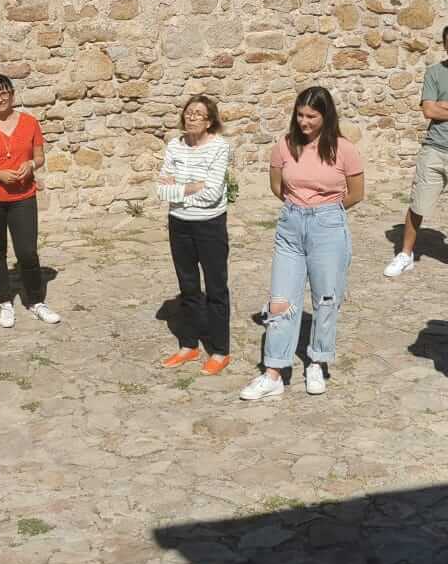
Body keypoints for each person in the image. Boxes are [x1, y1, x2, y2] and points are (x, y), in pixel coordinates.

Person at [239, 87, 364, 402]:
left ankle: (317, 361)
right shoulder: (284, 146)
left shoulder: (343, 149)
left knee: (326, 298)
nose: (305, 121)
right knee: (281, 299)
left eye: (312, 116)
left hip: (329, 226)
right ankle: (274, 372)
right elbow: (276, 186)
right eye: (300, 115)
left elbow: (356, 193)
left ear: (326, 116)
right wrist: (301, 209)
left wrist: (326, 212)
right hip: (290, 226)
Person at [384, 22, 448, 277]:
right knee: (418, 204)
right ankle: (406, 254)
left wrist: (445, 105)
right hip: (434, 148)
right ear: (444, 46)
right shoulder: (434, 72)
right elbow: (429, 110)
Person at [0, 74, 59, 328]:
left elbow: (39, 157)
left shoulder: (29, 123)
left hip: (23, 196)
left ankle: (36, 301)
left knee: (27, 252)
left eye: (4, 93)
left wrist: (30, 164)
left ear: (12, 94)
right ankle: (4, 301)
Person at [156, 94, 234, 375]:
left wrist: (178, 188)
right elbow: (160, 190)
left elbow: (213, 193)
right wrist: (190, 187)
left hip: (209, 226)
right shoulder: (175, 146)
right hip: (179, 224)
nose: (192, 117)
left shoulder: (219, 147)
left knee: (215, 288)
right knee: (187, 285)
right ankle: (189, 345)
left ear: (210, 120)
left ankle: (220, 350)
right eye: (189, 112)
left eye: (199, 114)